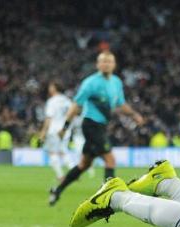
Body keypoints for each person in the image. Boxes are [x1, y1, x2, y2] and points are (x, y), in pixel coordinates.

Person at [49, 51, 144, 206]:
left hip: (101, 126)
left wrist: (134, 115)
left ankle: (57, 190)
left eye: (109, 61)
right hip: (91, 124)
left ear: (114, 64)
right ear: (98, 64)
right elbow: (76, 104)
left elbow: (120, 104)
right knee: (110, 160)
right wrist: (65, 126)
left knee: (84, 164)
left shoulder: (116, 82)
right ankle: (109, 199)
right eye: (103, 61)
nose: (106, 64)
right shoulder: (90, 83)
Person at [38, 81, 74, 180]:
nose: (49, 89)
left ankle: (60, 175)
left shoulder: (52, 101)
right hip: (65, 129)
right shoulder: (67, 100)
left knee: (52, 152)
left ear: (54, 88)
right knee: (63, 150)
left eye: (51, 86)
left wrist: (43, 133)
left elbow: (49, 118)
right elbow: (72, 114)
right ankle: (74, 171)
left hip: (54, 129)